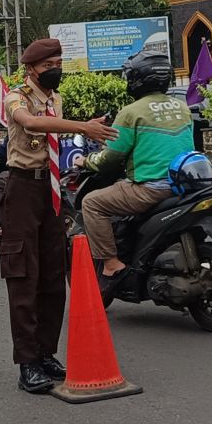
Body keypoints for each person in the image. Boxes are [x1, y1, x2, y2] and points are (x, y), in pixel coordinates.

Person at [1, 38, 118, 394]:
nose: (56, 69)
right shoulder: (16, 97)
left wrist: (87, 129)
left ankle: (46, 353)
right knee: (24, 277)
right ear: (32, 69)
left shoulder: (56, 100)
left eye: (59, 62)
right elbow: (31, 124)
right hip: (21, 189)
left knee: (53, 274)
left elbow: (54, 130)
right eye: (49, 64)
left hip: (51, 188)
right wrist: (83, 127)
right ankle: (27, 363)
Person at [73, 51, 194, 289]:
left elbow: (110, 158)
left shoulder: (131, 112)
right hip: (187, 185)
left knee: (91, 203)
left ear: (136, 79)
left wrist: (86, 161)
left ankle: (111, 265)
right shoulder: (182, 107)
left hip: (152, 189)